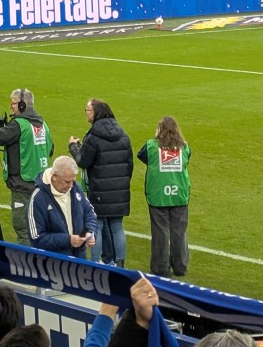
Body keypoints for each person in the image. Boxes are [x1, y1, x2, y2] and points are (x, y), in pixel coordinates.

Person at [0, 87, 53, 243]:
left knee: (23, 228)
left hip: (23, 184)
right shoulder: (43, 125)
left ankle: (26, 264)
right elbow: (50, 149)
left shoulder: (19, 124)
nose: (11, 106)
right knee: (39, 227)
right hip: (42, 184)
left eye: (14, 103)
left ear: (23, 105)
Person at [69, 98, 133, 265]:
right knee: (117, 227)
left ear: (96, 113)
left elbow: (83, 161)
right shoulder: (123, 135)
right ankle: (120, 264)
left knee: (96, 225)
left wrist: (74, 147)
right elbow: (129, 165)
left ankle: (96, 262)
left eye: (87, 111)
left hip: (99, 190)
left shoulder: (94, 136)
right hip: (120, 191)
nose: (86, 114)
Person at [137, 115, 192, 278]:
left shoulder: (151, 146)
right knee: (179, 232)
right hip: (179, 194)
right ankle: (180, 266)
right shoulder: (184, 146)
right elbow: (187, 159)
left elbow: (142, 156)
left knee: (160, 232)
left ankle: (160, 267)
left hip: (158, 195)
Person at [27, 154, 98, 256]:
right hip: (53, 261)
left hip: (79, 258)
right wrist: (68, 240)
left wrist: (91, 232)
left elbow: (90, 212)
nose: (70, 186)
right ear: (55, 176)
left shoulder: (75, 189)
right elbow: (36, 238)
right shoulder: (38, 198)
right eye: (67, 182)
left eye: (73, 181)